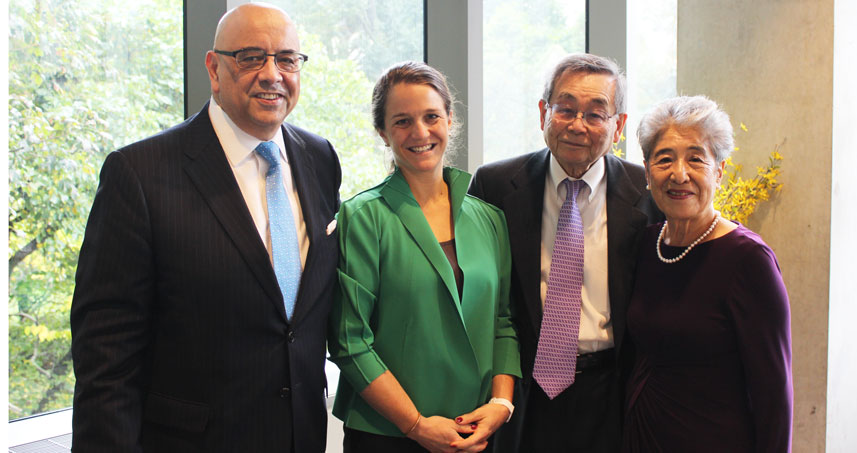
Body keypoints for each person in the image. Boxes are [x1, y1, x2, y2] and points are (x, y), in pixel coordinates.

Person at [70, 4, 341, 452]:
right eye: (251, 57)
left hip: (302, 437)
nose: (272, 74)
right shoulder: (138, 174)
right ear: (214, 69)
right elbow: (106, 361)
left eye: (287, 59)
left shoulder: (320, 158)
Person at [468, 53, 662, 452]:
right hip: (521, 391)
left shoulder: (647, 194)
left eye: (595, 114)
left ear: (618, 126)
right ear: (544, 112)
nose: (577, 125)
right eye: (566, 109)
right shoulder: (496, 186)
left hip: (613, 390)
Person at [328, 61, 521, 453]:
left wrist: (501, 404)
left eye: (432, 116)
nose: (420, 132)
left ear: (450, 120)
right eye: (402, 121)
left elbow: (502, 323)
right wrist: (415, 425)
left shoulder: (490, 219)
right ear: (383, 133)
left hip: (475, 433)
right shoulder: (362, 219)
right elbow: (351, 342)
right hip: (387, 437)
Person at [623, 95, 792, 452]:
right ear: (647, 171)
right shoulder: (646, 243)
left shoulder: (748, 260)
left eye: (696, 159)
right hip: (643, 435)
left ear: (719, 170)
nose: (679, 174)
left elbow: (773, 393)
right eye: (664, 158)